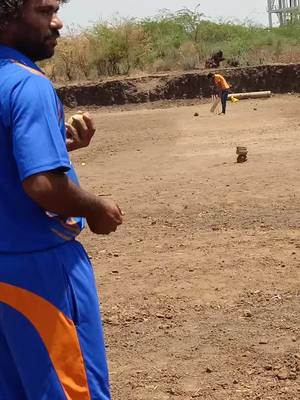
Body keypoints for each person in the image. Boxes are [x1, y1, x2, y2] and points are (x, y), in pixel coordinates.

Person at [0, 1, 123, 399]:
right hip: (39, 269)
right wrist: (96, 208)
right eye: (43, 10)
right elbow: (42, 185)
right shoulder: (26, 84)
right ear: (5, 15)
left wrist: (58, 147)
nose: (58, 22)